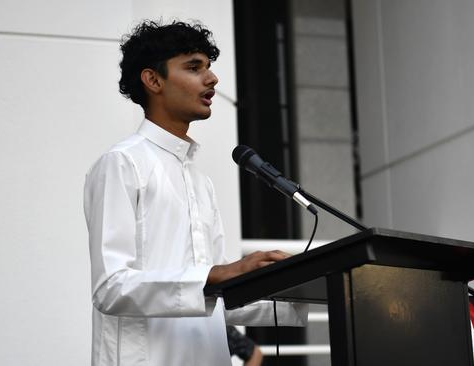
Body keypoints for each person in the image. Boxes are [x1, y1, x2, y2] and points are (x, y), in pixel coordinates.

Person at [83, 20, 307, 366]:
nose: (212, 79)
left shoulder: (201, 183)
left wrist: (302, 290)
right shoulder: (121, 163)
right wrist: (219, 274)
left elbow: (217, 297)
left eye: (209, 67)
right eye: (193, 67)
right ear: (153, 80)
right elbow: (110, 288)